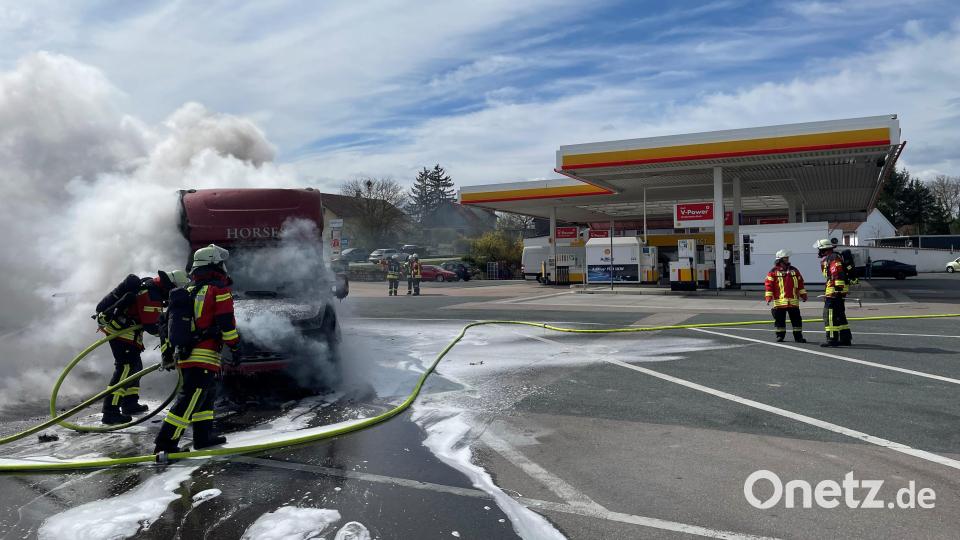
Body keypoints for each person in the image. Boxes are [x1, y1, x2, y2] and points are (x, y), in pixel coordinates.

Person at [154, 244, 241, 454]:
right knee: (190, 398)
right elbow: (226, 323)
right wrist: (235, 348)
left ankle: (203, 437)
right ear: (215, 265)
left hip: (187, 354)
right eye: (221, 263)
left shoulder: (189, 290)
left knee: (205, 397)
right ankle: (165, 444)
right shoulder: (218, 290)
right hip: (203, 354)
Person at [94, 269, 189, 425]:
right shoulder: (151, 295)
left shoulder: (152, 288)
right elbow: (153, 327)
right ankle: (110, 411)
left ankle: (130, 403)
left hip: (128, 333)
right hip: (122, 333)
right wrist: (170, 328)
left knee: (135, 366)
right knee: (125, 369)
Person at [764, 250, 807, 343]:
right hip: (780, 302)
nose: (787, 259)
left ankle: (798, 337)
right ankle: (780, 336)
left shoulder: (794, 270)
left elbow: (800, 283)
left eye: (787, 258)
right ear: (780, 259)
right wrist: (768, 298)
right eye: (785, 258)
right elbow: (768, 285)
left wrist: (804, 295)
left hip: (793, 302)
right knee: (779, 321)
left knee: (797, 321)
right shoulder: (773, 271)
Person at [815, 238, 852, 347]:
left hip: (834, 292)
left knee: (829, 315)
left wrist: (837, 289)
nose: (819, 252)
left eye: (820, 249)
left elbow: (837, 274)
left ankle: (832, 339)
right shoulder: (834, 257)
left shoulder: (833, 258)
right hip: (837, 291)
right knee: (840, 315)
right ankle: (845, 339)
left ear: (824, 249)